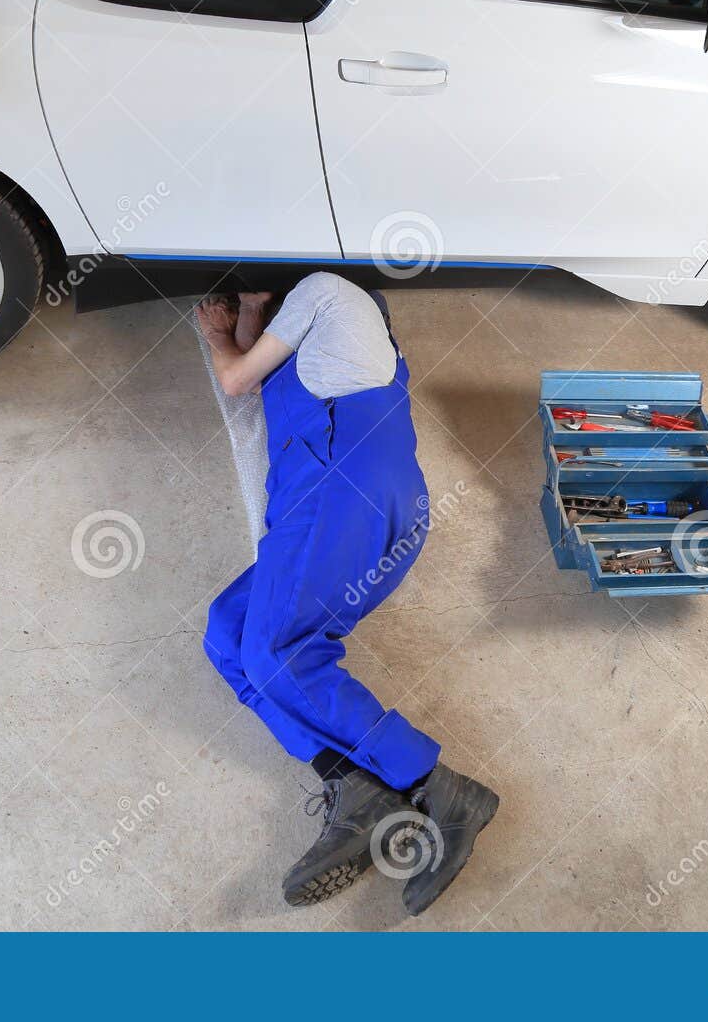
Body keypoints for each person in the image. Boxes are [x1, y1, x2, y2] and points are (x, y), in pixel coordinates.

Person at [195, 273, 499, 916]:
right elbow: (261, 368)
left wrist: (221, 332)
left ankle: (438, 785)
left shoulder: (331, 292)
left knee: (280, 652)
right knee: (229, 632)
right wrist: (249, 313)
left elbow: (235, 377)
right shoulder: (319, 356)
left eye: (270, 314)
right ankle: (354, 785)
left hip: (345, 500)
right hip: (331, 510)